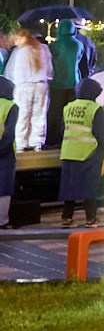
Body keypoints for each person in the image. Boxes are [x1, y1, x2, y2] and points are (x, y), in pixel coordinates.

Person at [56, 77, 104, 225]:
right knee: (90, 188)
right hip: (88, 153)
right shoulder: (95, 109)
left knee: (69, 188)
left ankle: (67, 218)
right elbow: (101, 133)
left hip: (68, 152)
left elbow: (61, 130)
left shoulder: (68, 107)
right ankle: (91, 219)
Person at [6, 28, 50, 154]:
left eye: (16, 39)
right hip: (41, 85)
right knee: (39, 115)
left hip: (24, 86)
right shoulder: (43, 49)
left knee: (22, 115)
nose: (15, 42)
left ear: (24, 38)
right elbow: (50, 69)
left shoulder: (20, 52)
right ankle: (37, 143)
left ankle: (21, 143)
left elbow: (13, 72)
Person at [0, 77, 17, 226]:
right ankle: (2, 221)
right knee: (4, 186)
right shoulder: (10, 106)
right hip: (5, 153)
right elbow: (9, 133)